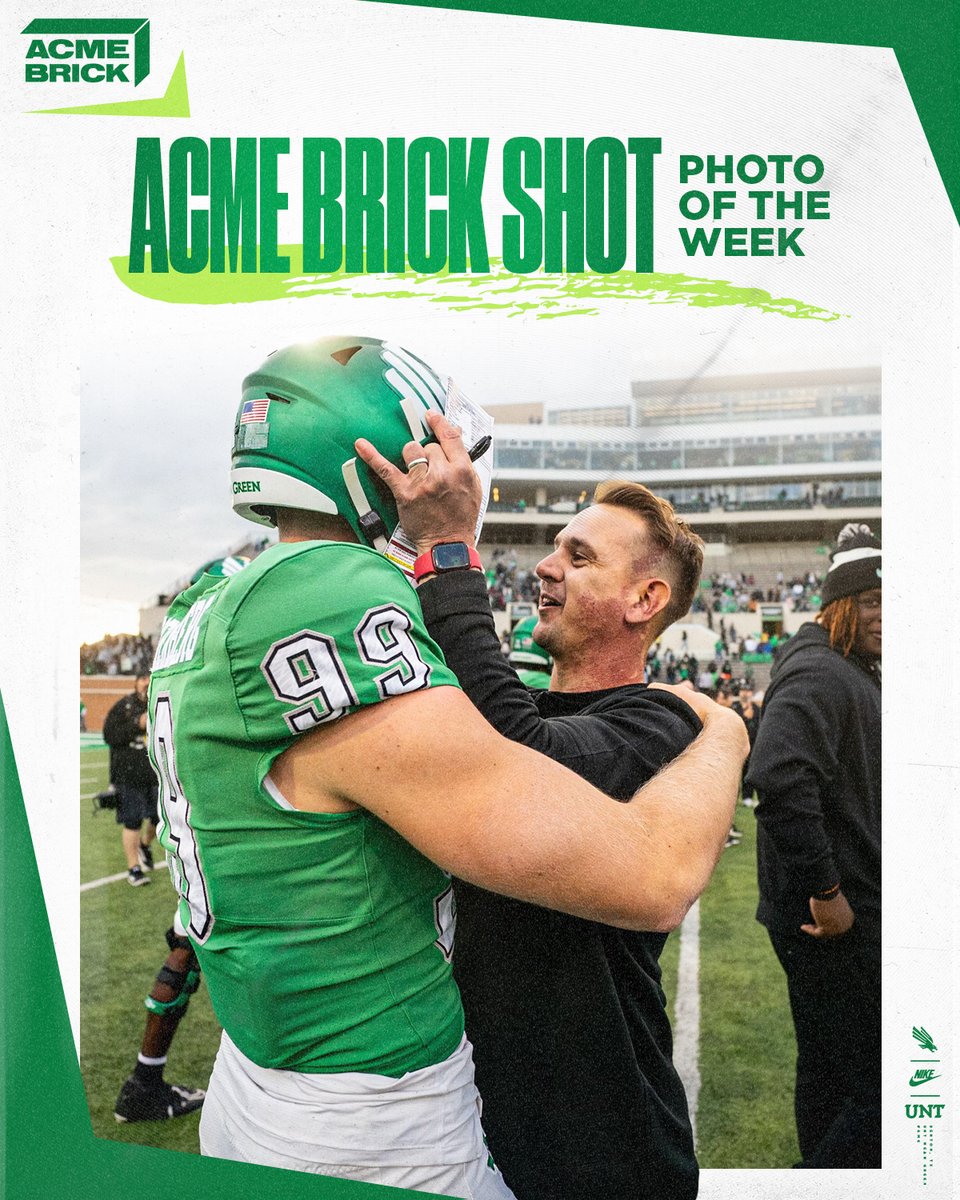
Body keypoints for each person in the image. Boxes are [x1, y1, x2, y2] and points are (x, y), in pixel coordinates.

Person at [148, 335, 746, 1197]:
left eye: (578, 556)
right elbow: (649, 871)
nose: (544, 562)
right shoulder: (331, 591)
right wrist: (723, 731)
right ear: (376, 461)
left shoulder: (215, 594)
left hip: (272, 1071)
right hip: (366, 1108)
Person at [357, 430, 736, 1199]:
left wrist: (452, 550)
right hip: (482, 1120)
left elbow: (525, 761)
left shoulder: (661, 717)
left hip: (601, 1142)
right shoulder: (526, 706)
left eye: (580, 557)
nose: (545, 566)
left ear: (646, 599)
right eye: (555, 547)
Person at [746, 523, 881, 1168]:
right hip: (833, 917)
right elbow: (776, 774)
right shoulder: (820, 670)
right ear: (839, 605)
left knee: (831, 1070)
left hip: (833, 908)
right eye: (873, 602)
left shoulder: (844, 665)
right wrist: (827, 892)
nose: (885, 617)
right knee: (880, 1084)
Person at [114, 560, 251, 1124]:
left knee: (185, 949)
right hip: (235, 835)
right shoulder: (227, 653)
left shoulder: (173, 666)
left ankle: (144, 1081)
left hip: (191, 841)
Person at [101, 673, 158, 886]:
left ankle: (145, 845)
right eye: (143, 679)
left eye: (150, 679)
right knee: (132, 821)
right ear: (136, 683)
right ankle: (133, 869)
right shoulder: (123, 706)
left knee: (158, 818)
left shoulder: (159, 705)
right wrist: (137, 723)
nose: (146, 683)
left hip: (153, 774)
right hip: (128, 775)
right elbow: (109, 736)